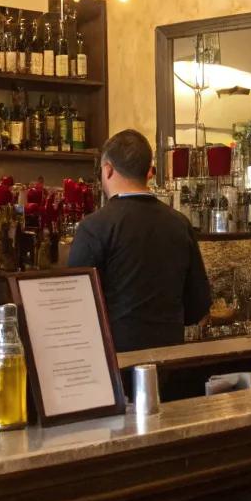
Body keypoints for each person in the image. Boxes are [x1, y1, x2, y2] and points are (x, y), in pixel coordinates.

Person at [68, 129, 211, 352]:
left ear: (107, 170)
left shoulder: (94, 227)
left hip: (115, 364)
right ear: (149, 173)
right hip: (170, 361)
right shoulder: (180, 223)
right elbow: (197, 308)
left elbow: (76, 307)